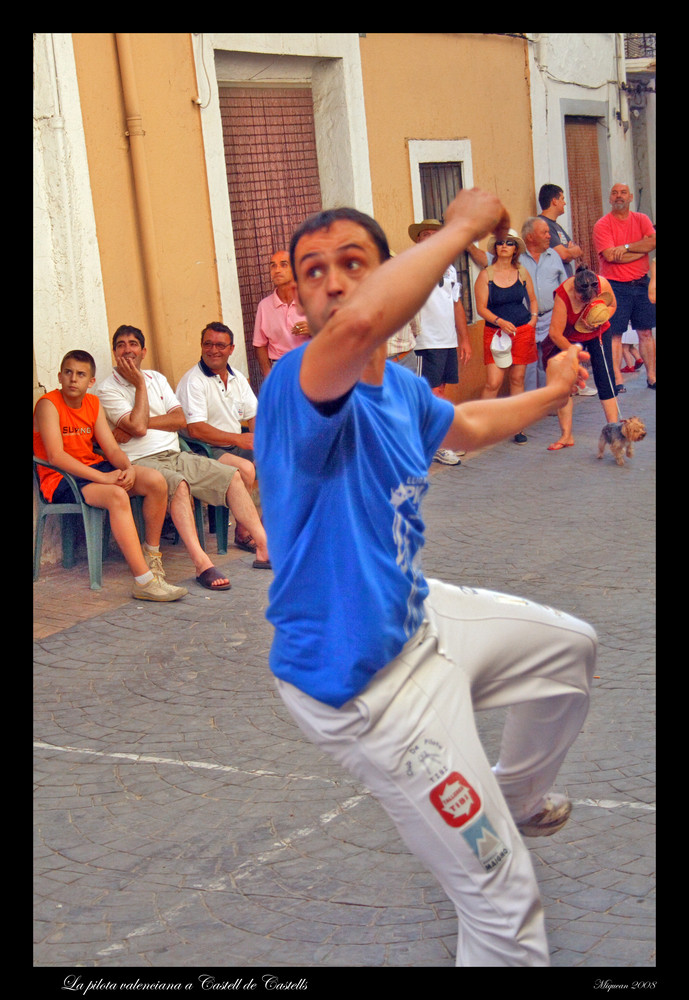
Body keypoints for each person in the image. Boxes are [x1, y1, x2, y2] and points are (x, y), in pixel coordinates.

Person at [254, 193, 597, 967]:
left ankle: (511, 800)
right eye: (314, 272)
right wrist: (462, 228)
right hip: (364, 688)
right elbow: (358, 328)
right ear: (298, 300)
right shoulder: (293, 387)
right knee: (502, 905)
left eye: (353, 264)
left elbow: (467, 426)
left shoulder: (401, 390)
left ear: (386, 274)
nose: (334, 283)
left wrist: (552, 392)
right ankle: (490, 836)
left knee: (570, 650)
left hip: (417, 616)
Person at [96, 326, 271, 590]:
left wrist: (138, 421)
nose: (127, 349)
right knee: (178, 485)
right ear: (115, 352)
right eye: (121, 345)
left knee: (232, 476)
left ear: (143, 351)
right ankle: (202, 563)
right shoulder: (107, 389)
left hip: (176, 453)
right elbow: (139, 429)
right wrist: (140, 386)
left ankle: (264, 547)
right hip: (141, 461)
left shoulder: (157, 377)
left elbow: (179, 419)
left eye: (133, 344)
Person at [33, 350, 188, 602]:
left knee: (155, 481)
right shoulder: (48, 404)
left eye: (81, 374)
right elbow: (56, 456)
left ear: (90, 381)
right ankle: (144, 581)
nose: (74, 379)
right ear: (60, 376)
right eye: (69, 373)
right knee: (117, 495)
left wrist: (126, 467)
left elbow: (112, 448)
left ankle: (152, 555)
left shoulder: (93, 404)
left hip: (93, 469)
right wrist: (104, 478)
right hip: (60, 478)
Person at [176, 322, 261, 553]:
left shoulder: (238, 378)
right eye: (208, 344)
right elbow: (195, 429)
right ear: (201, 346)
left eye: (220, 345)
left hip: (232, 443)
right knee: (246, 468)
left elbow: (253, 416)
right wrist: (238, 439)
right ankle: (243, 533)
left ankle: (268, 525)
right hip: (203, 448)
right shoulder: (193, 381)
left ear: (231, 349)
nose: (214, 350)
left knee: (279, 460)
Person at [408, 219, 471, 465]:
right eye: (426, 234)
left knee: (441, 390)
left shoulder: (450, 268)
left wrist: (464, 339)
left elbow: (456, 304)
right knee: (430, 393)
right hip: (426, 340)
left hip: (447, 340)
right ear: (419, 239)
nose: (432, 237)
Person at [541, 268, 618, 451]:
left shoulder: (602, 283)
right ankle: (566, 435)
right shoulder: (563, 295)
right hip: (569, 336)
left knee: (605, 378)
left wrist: (600, 317)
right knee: (563, 384)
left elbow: (613, 306)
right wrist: (575, 353)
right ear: (575, 290)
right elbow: (555, 334)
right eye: (582, 300)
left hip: (598, 330)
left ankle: (614, 431)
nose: (585, 303)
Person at [474, 229, 538, 444]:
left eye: (509, 243)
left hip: (522, 330)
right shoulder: (486, 275)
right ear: (495, 247)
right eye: (500, 242)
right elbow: (480, 308)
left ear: (515, 249)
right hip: (496, 332)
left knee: (517, 378)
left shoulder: (522, 272)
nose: (504, 246)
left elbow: (532, 300)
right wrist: (499, 321)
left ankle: (518, 427)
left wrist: (533, 320)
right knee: (494, 381)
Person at [592, 183, 656, 389]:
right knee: (615, 334)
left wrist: (626, 247)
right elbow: (611, 256)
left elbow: (652, 243)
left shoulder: (641, 219)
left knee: (646, 332)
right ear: (609, 199)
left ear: (630, 198)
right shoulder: (602, 225)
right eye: (614, 193)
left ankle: (652, 377)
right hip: (614, 286)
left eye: (623, 193)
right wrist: (641, 251)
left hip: (641, 283)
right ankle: (617, 380)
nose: (619, 196)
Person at [520, 217, 567, 391]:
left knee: (551, 360)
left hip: (551, 317)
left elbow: (564, 287)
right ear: (530, 237)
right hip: (526, 319)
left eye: (549, 232)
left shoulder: (553, 255)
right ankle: (532, 402)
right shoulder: (516, 257)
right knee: (529, 363)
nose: (549, 236)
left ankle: (550, 399)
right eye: (544, 232)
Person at [253, 249, 310, 378]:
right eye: (273, 265)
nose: (277, 270)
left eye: (284, 265)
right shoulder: (264, 306)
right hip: (280, 369)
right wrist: (269, 375)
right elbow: (260, 344)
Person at [538, 183, 584, 277]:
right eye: (562, 199)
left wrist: (569, 252)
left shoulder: (557, 226)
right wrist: (570, 252)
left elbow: (579, 251)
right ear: (554, 201)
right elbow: (563, 255)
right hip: (555, 283)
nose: (564, 203)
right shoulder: (542, 224)